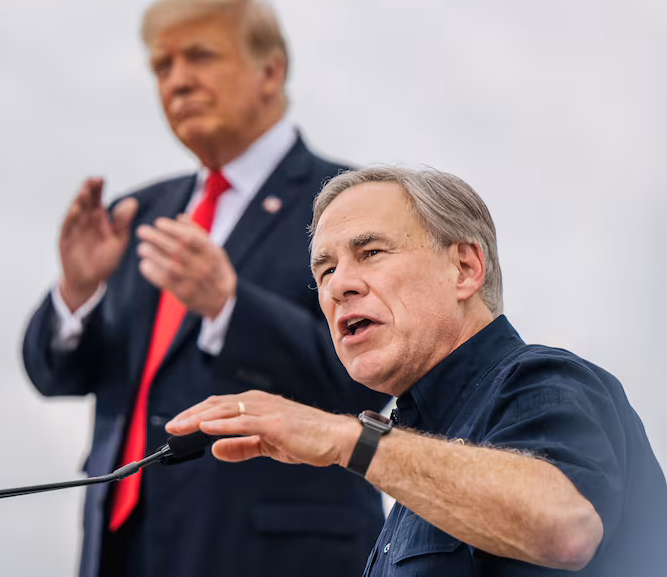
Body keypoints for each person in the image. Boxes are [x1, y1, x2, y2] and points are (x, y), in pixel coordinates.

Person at [22, 0, 388, 577]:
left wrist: (230, 307)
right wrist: (77, 293)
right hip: (120, 551)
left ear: (270, 71)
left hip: (276, 552)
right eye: (163, 66)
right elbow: (53, 373)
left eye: (200, 56)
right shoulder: (138, 215)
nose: (177, 81)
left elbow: (369, 381)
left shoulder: (353, 204)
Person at [166, 165, 667, 576]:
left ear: (465, 269)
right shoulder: (415, 461)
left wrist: (343, 438)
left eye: (371, 253)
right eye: (325, 270)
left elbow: (566, 526)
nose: (339, 285)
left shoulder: (544, 381)